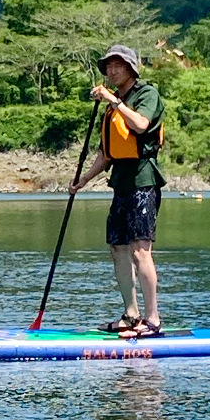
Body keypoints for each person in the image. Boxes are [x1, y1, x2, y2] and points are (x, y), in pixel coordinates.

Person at [69, 45, 167, 338]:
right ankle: (131, 315)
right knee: (118, 249)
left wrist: (113, 101)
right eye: (108, 66)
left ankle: (153, 319)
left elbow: (140, 125)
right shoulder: (114, 105)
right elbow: (107, 153)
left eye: (117, 66)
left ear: (131, 69)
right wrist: (83, 180)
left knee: (140, 250)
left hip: (143, 180)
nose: (111, 71)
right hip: (121, 183)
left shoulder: (146, 95)